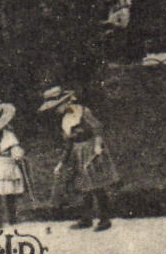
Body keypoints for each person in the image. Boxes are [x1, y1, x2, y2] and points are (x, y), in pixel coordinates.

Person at [40, 86, 118, 230]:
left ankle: (105, 219)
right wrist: (61, 163)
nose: (56, 110)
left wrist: (98, 146)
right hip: (77, 153)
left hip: (90, 149)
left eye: (57, 106)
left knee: (96, 185)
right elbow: (68, 143)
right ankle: (86, 219)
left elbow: (97, 128)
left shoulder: (83, 111)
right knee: (83, 186)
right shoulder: (65, 120)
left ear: (66, 102)